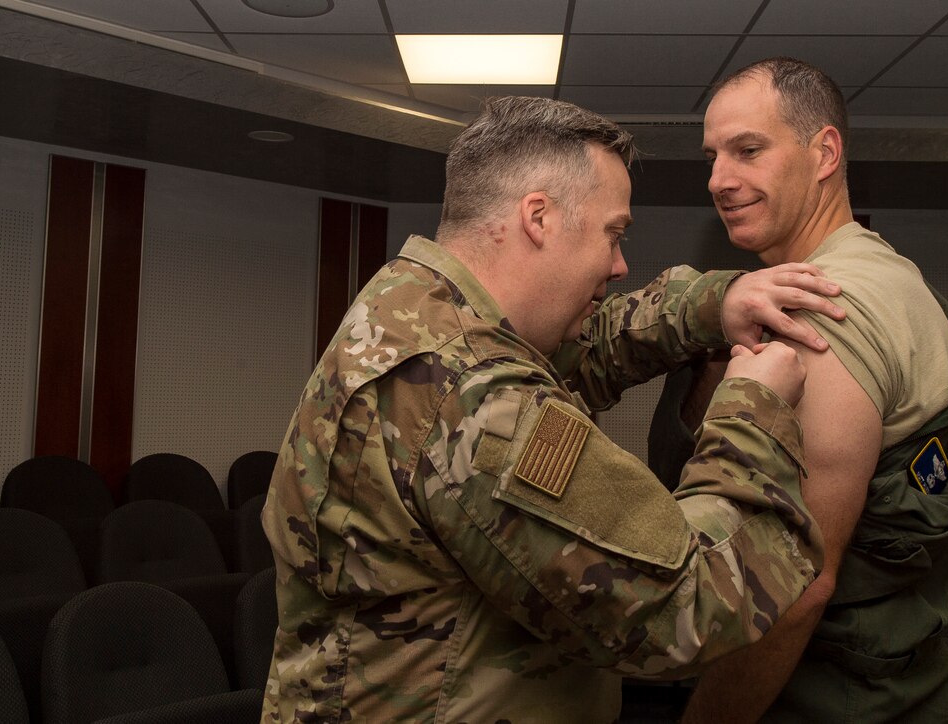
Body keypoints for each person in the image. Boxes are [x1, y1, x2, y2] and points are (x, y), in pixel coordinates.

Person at [259, 95, 848, 722]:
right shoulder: (476, 395)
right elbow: (683, 606)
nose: (620, 264)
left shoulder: (415, 312)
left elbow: (583, 351)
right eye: (613, 233)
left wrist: (709, 305)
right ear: (538, 217)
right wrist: (754, 413)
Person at [651, 58, 948, 723]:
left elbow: (798, 589)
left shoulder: (824, 312)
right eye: (713, 156)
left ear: (824, 152)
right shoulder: (888, 274)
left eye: (748, 150)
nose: (720, 179)